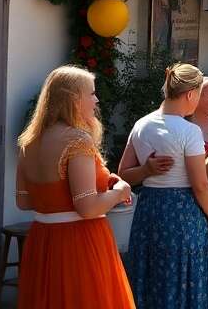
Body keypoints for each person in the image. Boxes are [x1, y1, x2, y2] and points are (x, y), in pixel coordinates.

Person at [16, 66, 135, 309]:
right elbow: (87, 207)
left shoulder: (29, 142)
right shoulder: (77, 141)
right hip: (79, 245)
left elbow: (24, 201)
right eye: (91, 93)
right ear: (74, 98)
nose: (96, 100)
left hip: (42, 242)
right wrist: (119, 193)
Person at [119, 63, 208, 308]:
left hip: (149, 211)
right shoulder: (189, 131)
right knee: (184, 278)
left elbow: (123, 174)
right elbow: (201, 185)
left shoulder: (141, 124)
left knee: (150, 275)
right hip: (182, 215)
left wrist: (146, 171)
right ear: (190, 94)